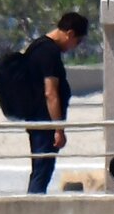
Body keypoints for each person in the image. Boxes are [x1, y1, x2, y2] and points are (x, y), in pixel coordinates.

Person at [23, 11, 89, 194]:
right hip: (44, 123)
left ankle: (33, 207)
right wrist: (58, 129)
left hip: (36, 120)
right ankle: (34, 211)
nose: (76, 46)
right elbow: (50, 93)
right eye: (78, 41)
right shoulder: (49, 52)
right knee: (42, 171)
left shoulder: (37, 47)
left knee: (39, 170)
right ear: (70, 34)